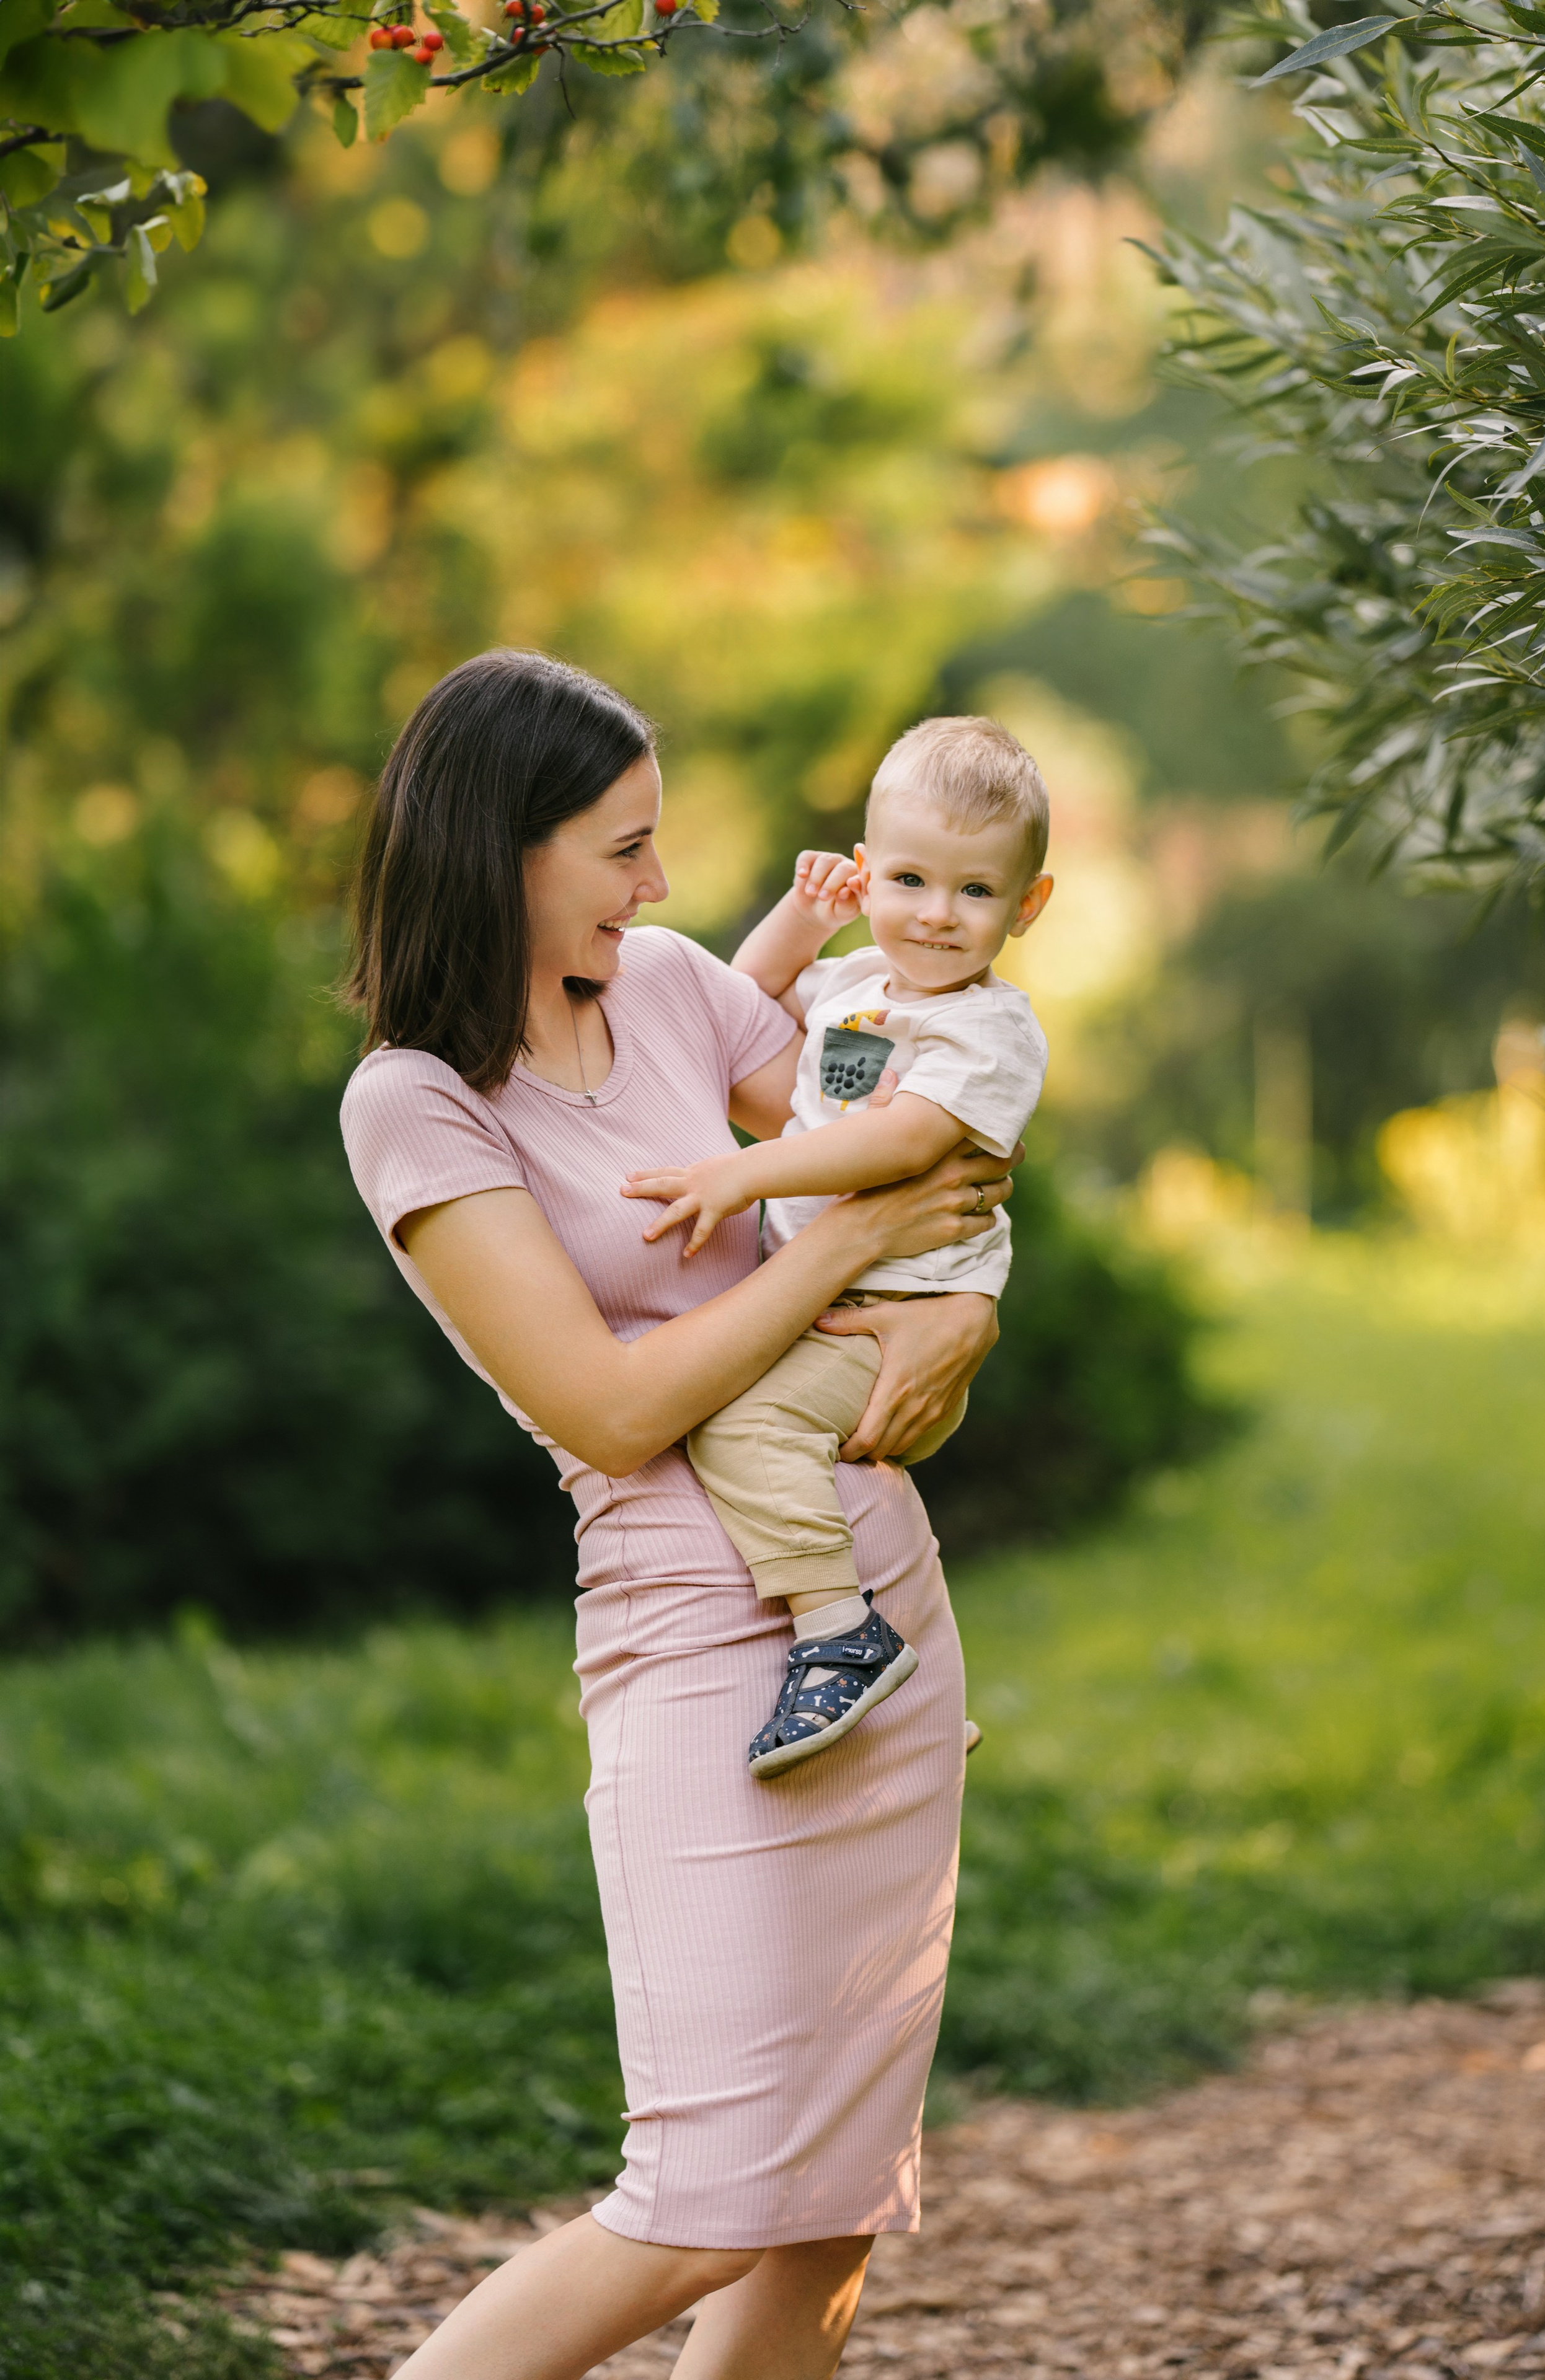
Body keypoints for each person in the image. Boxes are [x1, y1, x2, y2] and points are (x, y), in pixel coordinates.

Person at [339, 649, 1017, 2380]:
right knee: (707, 2198)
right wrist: (857, 1258)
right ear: (504, 850)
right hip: (699, 1644)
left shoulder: (666, 989)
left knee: (830, 2204)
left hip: (878, 1601)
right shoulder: (417, 1102)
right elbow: (617, 1405)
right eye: (623, 851)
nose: (658, 889)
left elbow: (922, 1167)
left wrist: (965, 1307)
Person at [621, 717, 1051, 1779]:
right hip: (840, 1305)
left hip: (894, 1318)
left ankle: (838, 1638)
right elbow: (740, 1006)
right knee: (841, 1490)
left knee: (742, 1434)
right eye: (908, 879)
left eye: (976, 892)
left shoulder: (989, 1031)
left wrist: (740, 1173)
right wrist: (804, 919)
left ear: (1028, 906)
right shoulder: (858, 988)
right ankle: (911, 1700)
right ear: (870, 872)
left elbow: (901, 1139)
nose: (938, 916)